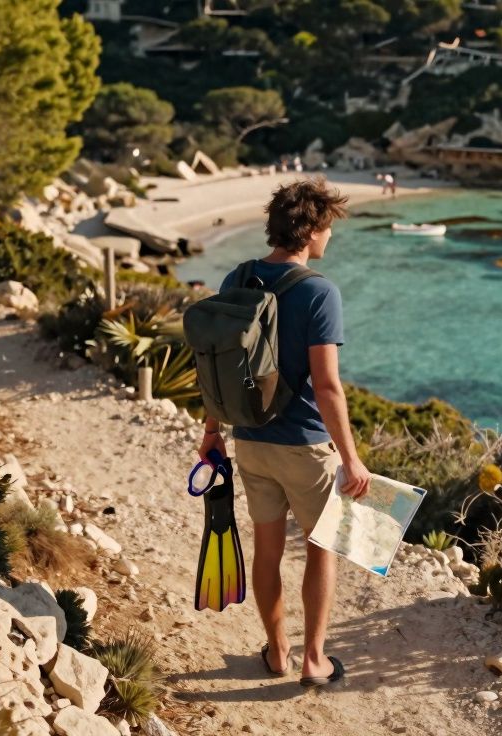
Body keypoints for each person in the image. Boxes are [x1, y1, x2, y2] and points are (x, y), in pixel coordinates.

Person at [198, 178, 372, 687]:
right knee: (322, 551)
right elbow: (328, 385)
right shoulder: (320, 291)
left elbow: (217, 363)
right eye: (328, 229)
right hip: (306, 448)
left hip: (250, 440)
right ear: (311, 230)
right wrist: (352, 457)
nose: (330, 238)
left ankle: (277, 652)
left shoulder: (241, 275)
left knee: (268, 550)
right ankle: (314, 661)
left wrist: (213, 430)